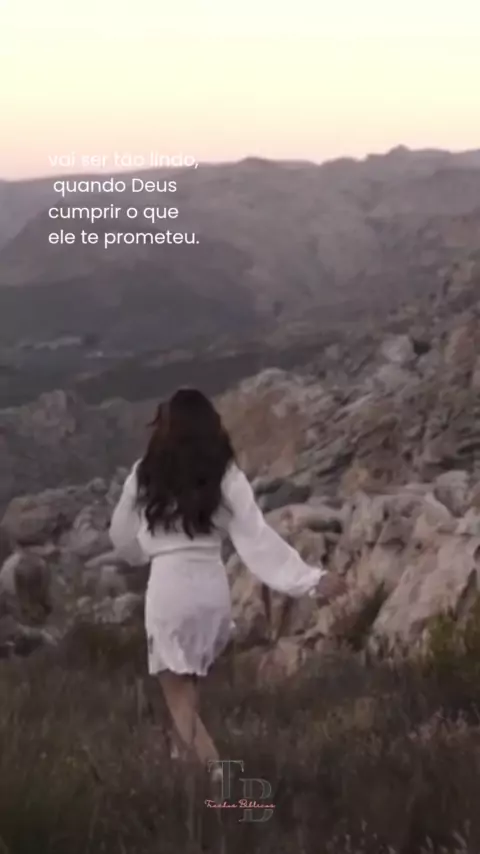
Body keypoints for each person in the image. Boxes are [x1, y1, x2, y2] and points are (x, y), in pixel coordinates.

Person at [109, 388, 346, 781]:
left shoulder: (144, 473)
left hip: (169, 588)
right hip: (211, 590)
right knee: (188, 694)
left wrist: (141, 554)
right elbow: (257, 538)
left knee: (178, 698)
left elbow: (121, 536)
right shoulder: (225, 474)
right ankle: (186, 777)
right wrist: (309, 579)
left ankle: (225, 786)